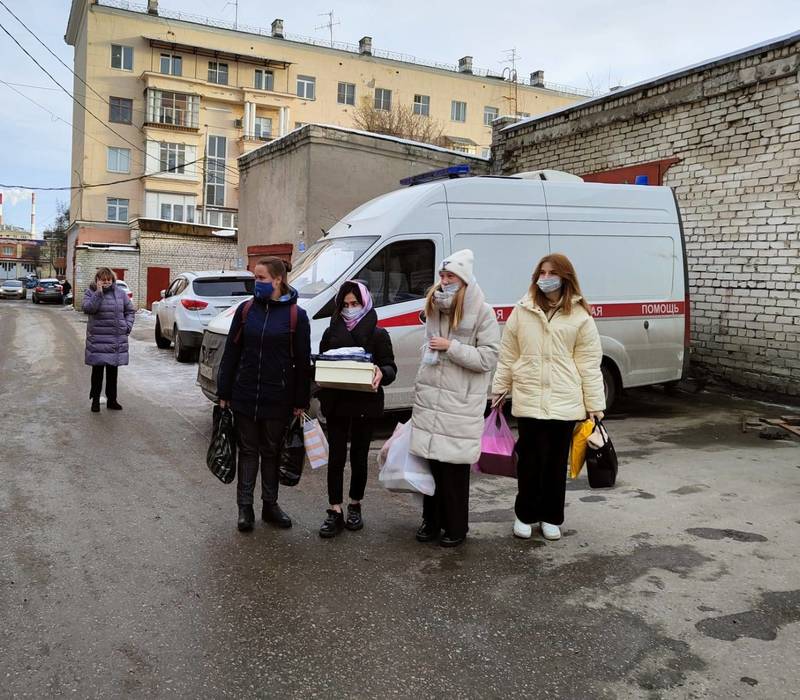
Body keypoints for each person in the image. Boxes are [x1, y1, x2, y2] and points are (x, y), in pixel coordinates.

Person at [492, 253, 605, 541]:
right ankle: (525, 515)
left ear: (565, 277)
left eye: (551, 273)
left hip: (564, 401)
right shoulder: (523, 310)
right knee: (530, 461)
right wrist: (499, 389)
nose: (545, 278)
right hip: (529, 398)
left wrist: (594, 405)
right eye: (541, 273)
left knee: (555, 464)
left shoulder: (580, 316)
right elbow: (508, 354)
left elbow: (589, 362)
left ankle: (552, 517)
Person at [409, 249, 500, 547]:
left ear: (464, 280)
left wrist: (452, 347)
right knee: (432, 467)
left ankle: (456, 527)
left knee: (454, 471)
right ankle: (431, 521)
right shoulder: (434, 307)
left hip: (460, 403)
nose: (444, 281)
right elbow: (428, 346)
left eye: (451, 277)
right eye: (442, 276)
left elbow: (489, 358)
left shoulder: (482, 311)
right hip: (431, 398)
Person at [217, 257, 311, 533]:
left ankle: (270, 505)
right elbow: (231, 353)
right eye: (255, 278)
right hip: (244, 394)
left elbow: (303, 362)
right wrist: (224, 391)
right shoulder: (246, 311)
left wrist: (300, 401)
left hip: (277, 397)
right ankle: (245, 509)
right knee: (247, 451)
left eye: (260, 278)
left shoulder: (296, 316)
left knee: (271, 452)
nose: (255, 283)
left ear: (278, 279)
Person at [317, 280, 397, 538]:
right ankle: (334, 509)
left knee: (359, 457)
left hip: (365, 404)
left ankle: (355, 504)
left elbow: (391, 368)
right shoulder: (331, 333)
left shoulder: (378, 334)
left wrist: (380, 372)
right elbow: (322, 363)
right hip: (337, 402)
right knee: (336, 458)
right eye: (345, 305)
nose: (350, 309)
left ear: (365, 303)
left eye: (355, 304)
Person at [82, 267, 135, 412]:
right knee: (97, 372)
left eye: (108, 279)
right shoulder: (90, 292)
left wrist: (127, 326)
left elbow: (130, 311)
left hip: (115, 340)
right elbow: (88, 308)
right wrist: (98, 293)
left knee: (113, 373)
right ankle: (95, 401)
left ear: (112, 280)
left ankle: (112, 400)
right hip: (98, 339)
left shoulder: (120, 294)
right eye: (102, 280)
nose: (106, 282)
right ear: (97, 280)